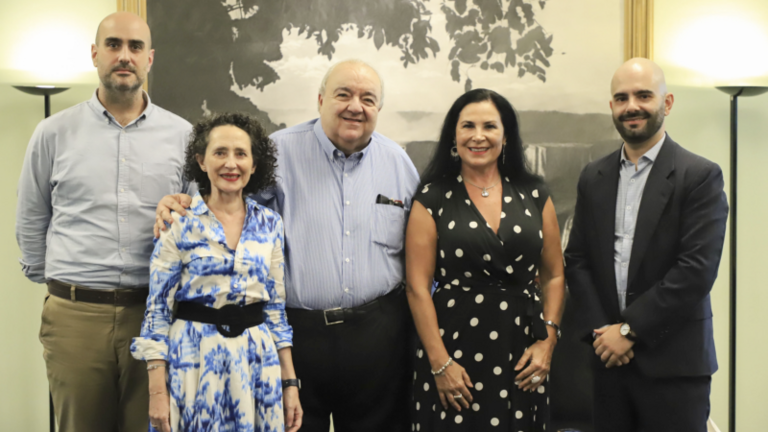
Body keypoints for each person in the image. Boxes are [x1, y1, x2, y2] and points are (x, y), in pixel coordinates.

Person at [154, 59, 420, 432]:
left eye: (367, 98)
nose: (355, 106)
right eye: (343, 94)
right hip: (299, 334)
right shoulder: (278, 153)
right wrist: (177, 201)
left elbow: (423, 249)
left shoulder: (399, 163)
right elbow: (223, 198)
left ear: (379, 108)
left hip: (378, 337)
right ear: (320, 99)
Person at [15, 12, 194, 432]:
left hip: (154, 315)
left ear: (150, 59)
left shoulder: (183, 137)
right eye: (113, 45)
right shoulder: (53, 133)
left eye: (135, 48)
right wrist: (65, 286)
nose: (124, 56)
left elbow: (196, 222)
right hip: (75, 318)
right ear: (95, 55)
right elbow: (31, 218)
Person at [564, 58, 728, 432]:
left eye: (643, 95)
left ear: (666, 103)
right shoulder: (594, 176)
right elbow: (578, 260)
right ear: (612, 107)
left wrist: (628, 331)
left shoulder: (700, 176)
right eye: (621, 98)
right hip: (610, 364)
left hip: (674, 366)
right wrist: (603, 333)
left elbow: (695, 271)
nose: (631, 106)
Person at [130, 112, 302, 432]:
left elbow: (277, 311)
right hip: (192, 363)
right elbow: (156, 314)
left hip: (257, 365)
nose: (231, 163)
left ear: (254, 164)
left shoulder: (270, 224)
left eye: (241, 154)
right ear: (202, 161)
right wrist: (157, 392)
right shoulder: (177, 221)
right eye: (220, 152)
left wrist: (289, 383)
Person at [406, 89, 565, 431]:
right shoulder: (432, 197)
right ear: (454, 136)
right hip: (454, 349)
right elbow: (417, 287)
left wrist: (547, 341)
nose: (478, 136)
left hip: (525, 351)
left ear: (506, 137)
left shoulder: (535, 194)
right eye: (468, 126)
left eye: (490, 126)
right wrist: (439, 362)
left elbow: (553, 275)